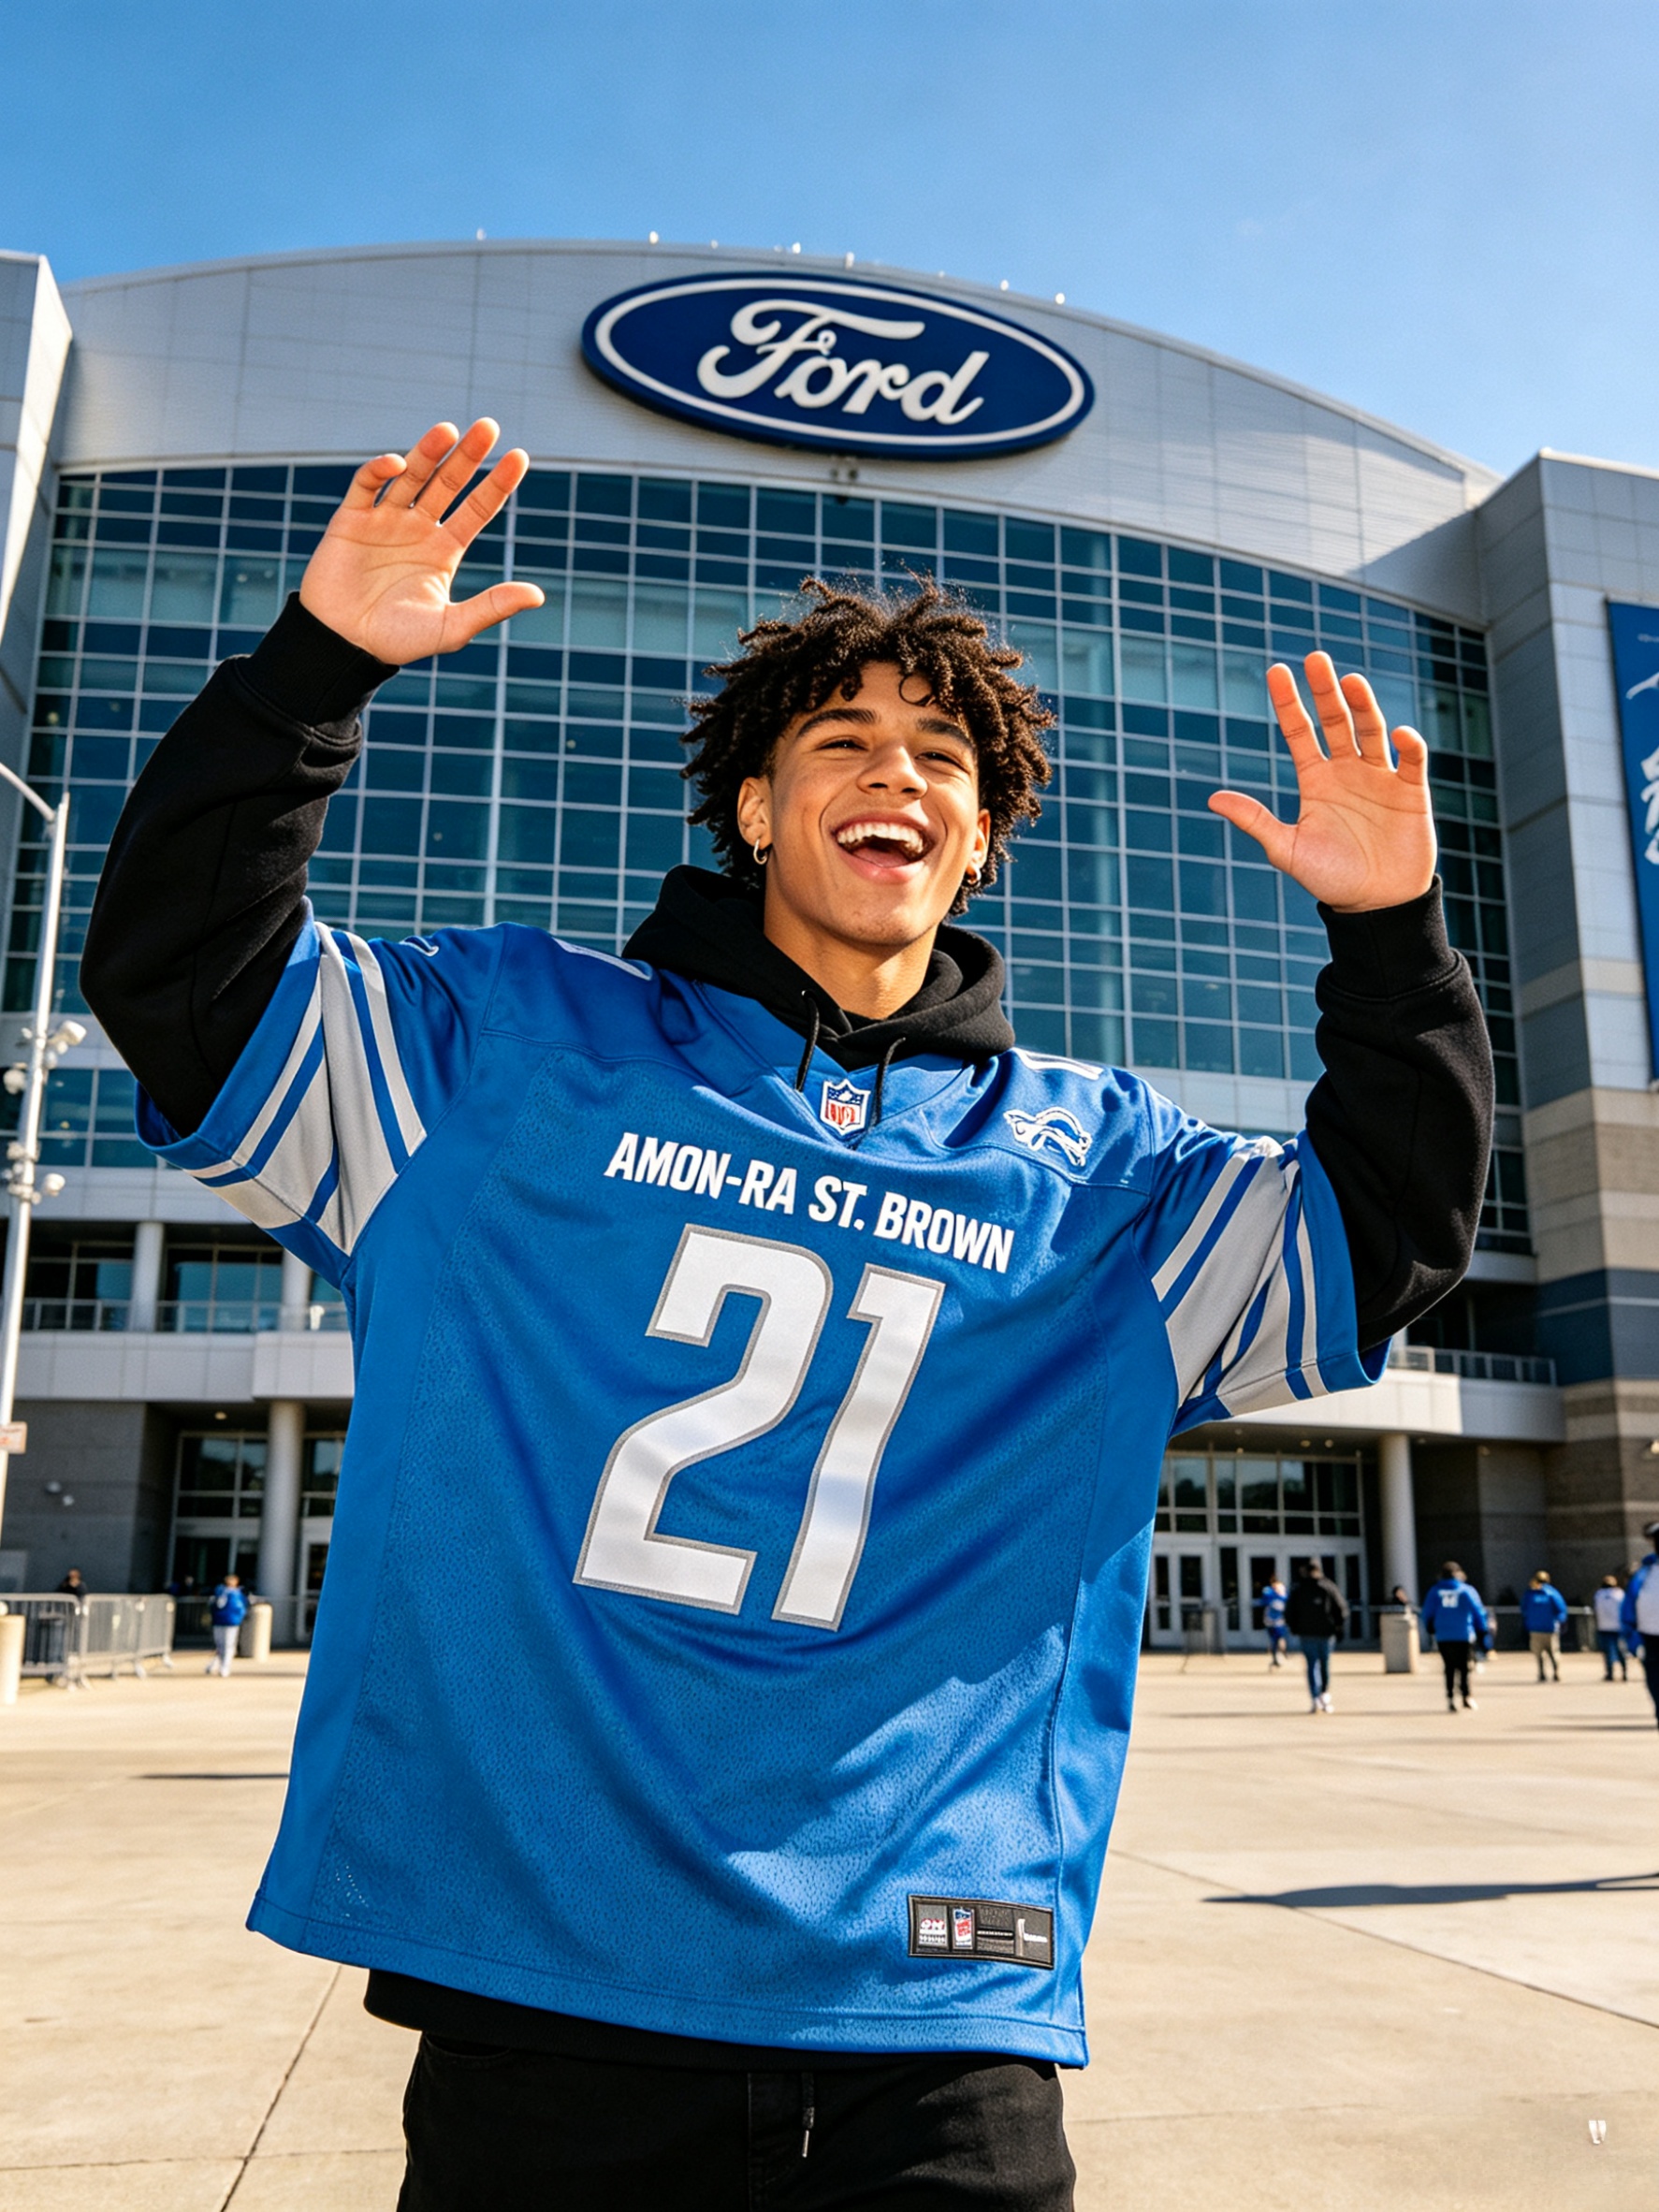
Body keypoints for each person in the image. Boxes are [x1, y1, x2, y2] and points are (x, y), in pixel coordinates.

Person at [81, 417, 1492, 2208]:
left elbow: (1383, 1239)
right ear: (752, 803)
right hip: (550, 2000)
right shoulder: (507, 1053)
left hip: (932, 2014)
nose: (891, 768)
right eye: (840, 739)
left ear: (977, 836)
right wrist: (316, 666)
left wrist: (1391, 933)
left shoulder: (1098, 1172)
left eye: (938, 753)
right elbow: (183, 980)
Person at [1419, 1561, 1489, 1710]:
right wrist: (1482, 1630)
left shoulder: (1435, 1591)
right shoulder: (1466, 1590)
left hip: (1443, 1635)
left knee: (1449, 1666)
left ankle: (1450, 1697)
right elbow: (1478, 1611)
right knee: (1464, 1667)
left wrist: (1430, 1627)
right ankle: (1466, 1696)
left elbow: (1427, 1613)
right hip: (1464, 1634)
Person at [1284, 1558, 1348, 1712]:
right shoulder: (1328, 1587)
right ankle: (1324, 1694)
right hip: (1326, 1633)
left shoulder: (1298, 1589)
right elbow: (1342, 1609)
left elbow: (1289, 1612)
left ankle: (1315, 1697)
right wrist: (1338, 1627)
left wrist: (1294, 1627)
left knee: (1312, 1665)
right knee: (1324, 1664)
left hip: (1306, 1633)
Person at [1622, 1528, 1659, 1728]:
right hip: (1651, 1638)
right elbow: (1629, 1606)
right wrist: (1631, 1637)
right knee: (1655, 1681)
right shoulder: (1645, 1573)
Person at [1521, 1570, 1567, 1681]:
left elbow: (1524, 1609)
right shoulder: (1552, 1593)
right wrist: (1561, 1622)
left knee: (1538, 1653)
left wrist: (1528, 1622)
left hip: (1535, 1629)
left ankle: (1541, 1673)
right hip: (1550, 1628)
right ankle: (1556, 1672)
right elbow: (1561, 1609)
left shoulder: (1530, 1594)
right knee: (1554, 1652)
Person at [207, 1573, 249, 1678]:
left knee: (228, 1645)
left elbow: (241, 1608)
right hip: (219, 1621)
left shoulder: (238, 1594)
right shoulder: (220, 1592)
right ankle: (218, 1664)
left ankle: (225, 1667)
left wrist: (238, 1619)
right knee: (220, 1644)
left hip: (231, 1622)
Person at [1593, 1574, 1628, 1681]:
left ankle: (1610, 1673)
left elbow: (1595, 1610)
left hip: (1603, 1627)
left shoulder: (1598, 1595)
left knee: (1607, 1651)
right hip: (1618, 1627)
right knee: (1621, 1650)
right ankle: (1624, 1672)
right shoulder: (1620, 1594)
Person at [1259, 1578, 1288, 1668]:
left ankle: (1280, 1653)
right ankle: (1275, 1657)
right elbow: (1264, 1601)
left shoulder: (1283, 1597)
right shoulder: (1269, 1595)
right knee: (1274, 1640)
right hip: (1270, 1621)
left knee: (1279, 1638)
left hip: (1280, 1621)